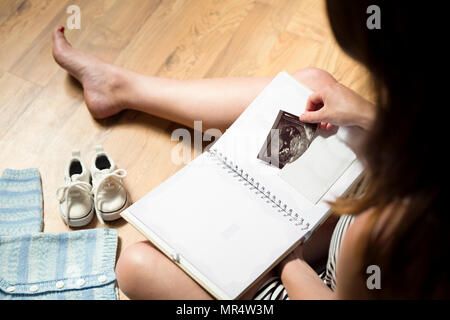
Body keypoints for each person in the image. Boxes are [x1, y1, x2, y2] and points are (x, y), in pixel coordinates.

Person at [52, 0, 447, 299]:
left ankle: (124, 91)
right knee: (310, 88)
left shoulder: (382, 234)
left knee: (136, 267)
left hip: (318, 283)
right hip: (348, 237)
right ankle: (124, 88)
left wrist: (286, 262)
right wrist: (367, 113)